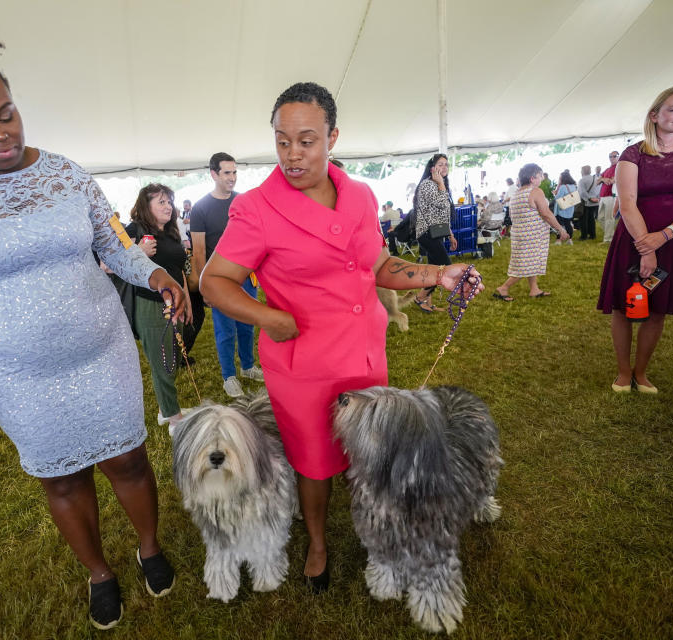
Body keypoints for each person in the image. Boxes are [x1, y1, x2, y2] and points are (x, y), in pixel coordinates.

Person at [0, 2, 185, 629]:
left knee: (128, 458)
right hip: (16, 375)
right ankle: (100, 573)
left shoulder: (66, 175)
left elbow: (114, 245)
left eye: (6, 113)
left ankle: (150, 546)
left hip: (102, 350)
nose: (0, 133)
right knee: (63, 479)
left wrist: (154, 274)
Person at [199, 81, 482, 593]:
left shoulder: (359, 194)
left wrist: (435, 275)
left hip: (364, 352)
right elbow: (213, 282)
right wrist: (267, 316)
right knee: (314, 461)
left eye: (306, 141)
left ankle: (378, 531)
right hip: (303, 362)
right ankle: (317, 542)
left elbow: (377, 264)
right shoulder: (257, 208)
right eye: (282, 141)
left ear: (333, 137)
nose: (292, 154)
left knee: (373, 450)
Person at [597, 84, 673, 393]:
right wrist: (646, 247)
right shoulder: (633, 153)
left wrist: (665, 236)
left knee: (658, 307)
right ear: (655, 114)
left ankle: (642, 372)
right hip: (634, 237)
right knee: (624, 306)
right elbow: (627, 203)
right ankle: (623, 372)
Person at [189, 152, 263, 397]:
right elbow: (198, 251)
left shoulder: (244, 202)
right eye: (227, 173)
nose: (232, 178)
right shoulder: (200, 208)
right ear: (214, 174)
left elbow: (255, 240)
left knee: (247, 326)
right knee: (225, 331)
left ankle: (248, 366)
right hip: (219, 280)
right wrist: (204, 286)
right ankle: (229, 376)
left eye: (235, 172)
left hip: (246, 277)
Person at [125, 184, 191, 427]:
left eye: (169, 201)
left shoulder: (172, 231)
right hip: (151, 305)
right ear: (146, 206)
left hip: (177, 303)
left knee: (174, 357)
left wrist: (187, 299)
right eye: (161, 202)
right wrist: (137, 251)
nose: (168, 207)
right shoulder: (135, 230)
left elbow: (178, 269)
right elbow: (107, 266)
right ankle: (174, 418)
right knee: (162, 361)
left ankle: (166, 408)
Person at [493, 163, 570, 302]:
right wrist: (560, 229)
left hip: (520, 235)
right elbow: (546, 213)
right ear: (532, 178)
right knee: (524, 265)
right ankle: (503, 288)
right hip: (532, 235)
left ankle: (534, 289)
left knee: (529, 261)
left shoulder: (516, 193)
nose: (541, 179)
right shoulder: (536, 191)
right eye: (540, 176)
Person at [412, 154, 459, 312]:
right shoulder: (428, 184)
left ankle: (427, 302)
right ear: (432, 168)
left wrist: (450, 235)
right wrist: (441, 184)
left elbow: (443, 214)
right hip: (427, 233)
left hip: (435, 233)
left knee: (434, 269)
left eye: (446, 164)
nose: (444, 167)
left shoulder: (439, 183)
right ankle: (420, 297)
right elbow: (442, 203)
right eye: (440, 164)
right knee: (444, 267)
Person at [597, 151, 620, 242]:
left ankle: (608, 239)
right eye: (610, 156)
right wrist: (603, 179)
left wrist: (606, 179)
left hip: (611, 196)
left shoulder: (619, 167)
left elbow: (612, 181)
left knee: (609, 218)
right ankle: (611, 235)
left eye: (614, 156)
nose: (612, 158)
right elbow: (597, 181)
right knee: (601, 218)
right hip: (602, 196)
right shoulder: (607, 169)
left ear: (618, 157)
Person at [553, 170, 578, 245]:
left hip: (561, 209)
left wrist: (554, 194)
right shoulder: (574, 186)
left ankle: (558, 240)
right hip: (570, 208)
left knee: (559, 225)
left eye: (560, 178)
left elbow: (558, 198)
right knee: (568, 224)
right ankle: (570, 240)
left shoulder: (563, 187)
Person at [577, 165, 599, 240]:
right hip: (595, 202)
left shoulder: (582, 180)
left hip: (586, 202)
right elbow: (598, 189)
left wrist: (589, 198)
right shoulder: (595, 178)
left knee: (583, 220)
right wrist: (596, 198)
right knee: (591, 219)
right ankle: (592, 235)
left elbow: (582, 192)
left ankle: (584, 236)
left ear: (582, 171)